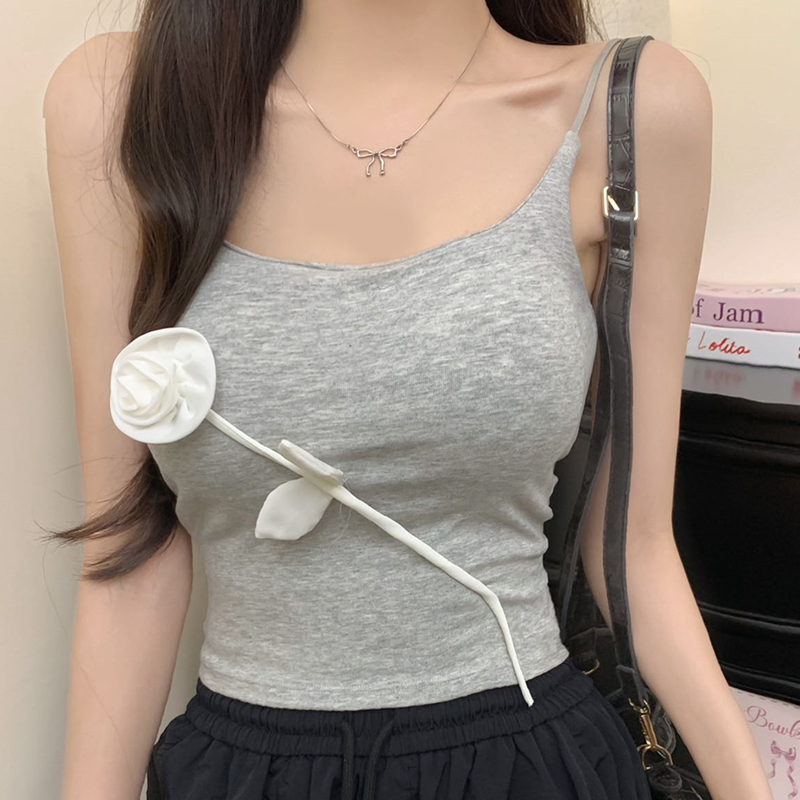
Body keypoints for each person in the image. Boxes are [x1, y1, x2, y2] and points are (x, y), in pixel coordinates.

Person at [42, 1, 771, 799]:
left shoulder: (628, 108)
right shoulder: (123, 104)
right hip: (247, 771)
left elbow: (633, 544)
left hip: (528, 765)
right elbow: (130, 548)